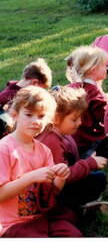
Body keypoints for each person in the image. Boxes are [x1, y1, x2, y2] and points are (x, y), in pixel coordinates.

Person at [0, 86, 81, 237]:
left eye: (42, 116)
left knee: (73, 234)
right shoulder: (4, 149)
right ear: (15, 114)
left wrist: (61, 176)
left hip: (42, 215)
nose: (36, 121)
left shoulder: (44, 150)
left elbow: (52, 191)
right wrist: (31, 177)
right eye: (29, 114)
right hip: (13, 224)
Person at [36, 86, 108, 213]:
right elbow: (64, 176)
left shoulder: (63, 132)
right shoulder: (51, 141)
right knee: (99, 179)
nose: (80, 122)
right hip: (57, 191)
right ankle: (73, 208)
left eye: (80, 117)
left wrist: (87, 161)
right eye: (74, 119)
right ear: (56, 118)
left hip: (67, 177)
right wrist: (89, 163)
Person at [65, 46, 108, 157]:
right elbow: (107, 118)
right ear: (92, 69)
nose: (107, 67)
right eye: (104, 65)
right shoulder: (94, 93)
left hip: (69, 138)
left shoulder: (72, 87)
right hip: (88, 139)